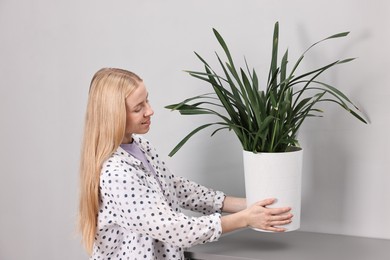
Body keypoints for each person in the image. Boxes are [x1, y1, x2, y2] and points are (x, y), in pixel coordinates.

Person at [78, 68, 293, 260]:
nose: (150, 111)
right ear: (113, 116)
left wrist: (245, 204)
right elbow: (174, 228)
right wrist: (244, 219)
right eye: (138, 108)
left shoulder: (141, 146)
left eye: (147, 101)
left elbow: (174, 187)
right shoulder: (115, 173)